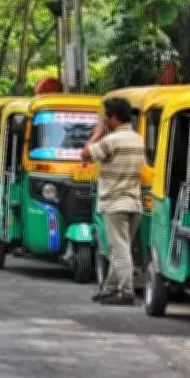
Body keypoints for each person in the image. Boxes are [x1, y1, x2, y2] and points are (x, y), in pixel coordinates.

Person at [80, 97, 144, 306]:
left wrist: (97, 133)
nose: (104, 120)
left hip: (115, 203)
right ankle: (109, 289)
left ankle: (126, 291)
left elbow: (84, 154)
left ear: (113, 117)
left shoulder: (111, 141)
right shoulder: (138, 139)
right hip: (134, 202)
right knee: (122, 247)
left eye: (105, 117)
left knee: (119, 249)